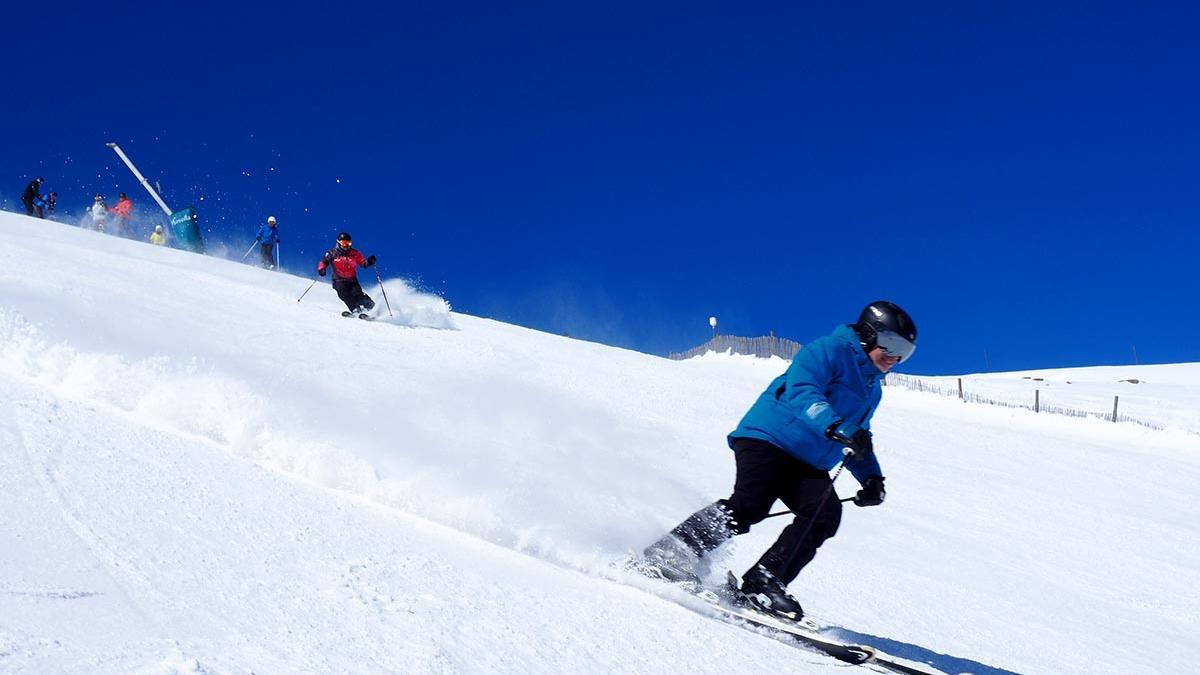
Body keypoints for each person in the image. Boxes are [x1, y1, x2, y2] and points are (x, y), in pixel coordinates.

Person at [639, 301, 918, 622]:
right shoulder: (829, 350)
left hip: (807, 461)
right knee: (751, 504)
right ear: (869, 334)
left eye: (905, 352)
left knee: (824, 514)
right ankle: (672, 551)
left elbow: (859, 436)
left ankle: (763, 582)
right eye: (893, 346)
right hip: (768, 438)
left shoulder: (873, 391)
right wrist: (835, 426)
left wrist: (871, 478)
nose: (895, 358)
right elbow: (802, 391)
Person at [317, 231, 377, 315]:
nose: (346, 246)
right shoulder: (332, 253)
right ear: (338, 242)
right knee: (344, 294)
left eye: (348, 243)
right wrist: (322, 269)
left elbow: (363, 263)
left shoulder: (355, 253)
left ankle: (372, 308)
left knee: (358, 294)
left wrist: (369, 262)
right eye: (344, 243)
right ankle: (355, 310)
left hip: (352, 280)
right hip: (338, 280)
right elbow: (324, 261)